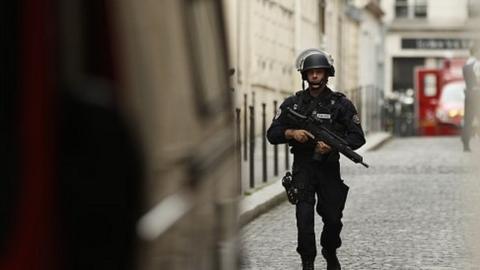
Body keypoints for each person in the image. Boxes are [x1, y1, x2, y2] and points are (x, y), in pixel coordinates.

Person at [267, 49, 366, 270]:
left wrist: (331, 144)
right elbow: (272, 134)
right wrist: (292, 134)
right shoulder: (293, 104)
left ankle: (330, 251)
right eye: (311, 72)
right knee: (304, 220)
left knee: (332, 218)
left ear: (327, 74)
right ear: (304, 75)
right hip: (303, 168)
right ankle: (307, 262)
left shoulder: (341, 104)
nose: (314, 76)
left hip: (329, 168)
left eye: (319, 72)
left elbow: (358, 137)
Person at [462, 43, 480, 152]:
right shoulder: (477, 64)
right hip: (477, 94)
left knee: (468, 120)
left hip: (468, 94)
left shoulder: (466, 64)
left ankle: (465, 144)